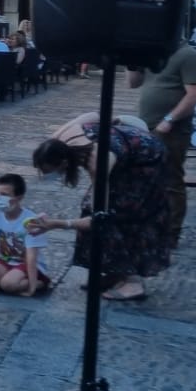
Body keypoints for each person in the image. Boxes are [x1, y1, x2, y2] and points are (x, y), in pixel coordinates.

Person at [31, 112, 168, 302]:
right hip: (123, 152)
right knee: (92, 206)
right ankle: (114, 272)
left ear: (64, 163)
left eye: (49, 171)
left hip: (145, 160)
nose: (46, 175)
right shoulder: (57, 140)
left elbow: (98, 217)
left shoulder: (97, 162)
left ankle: (132, 281)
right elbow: (93, 115)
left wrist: (56, 224)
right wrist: (113, 125)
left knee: (121, 215)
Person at [126, 44, 196, 248]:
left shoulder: (187, 55)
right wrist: (132, 61)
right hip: (146, 125)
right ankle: (150, 227)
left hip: (171, 129)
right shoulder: (152, 51)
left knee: (171, 181)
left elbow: (195, 94)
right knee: (147, 180)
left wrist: (169, 119)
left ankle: (171, 234)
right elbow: (133, 83)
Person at [0, 173, 51, 296]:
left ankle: (40, 282)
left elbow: (31, 256)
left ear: (19, 198)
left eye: (4, 195)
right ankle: (9, 279)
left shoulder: (30, 220)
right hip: (5, 260)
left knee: (8, 285)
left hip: (27, 264)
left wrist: (32, 288)